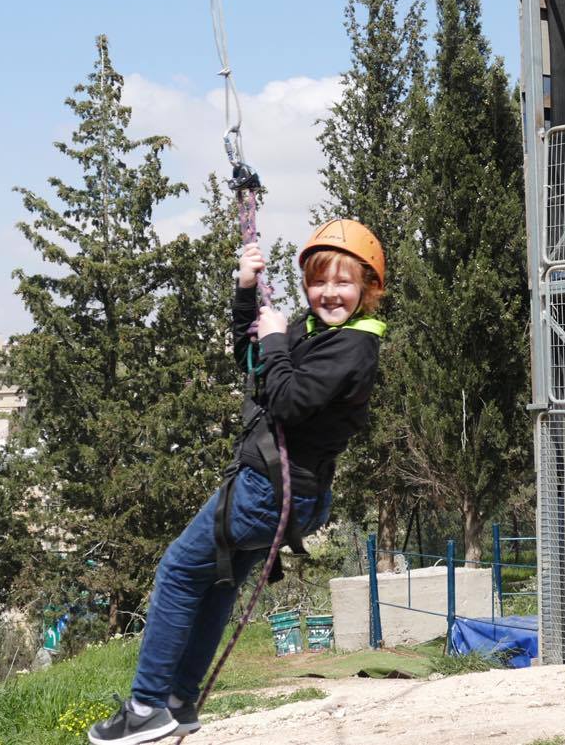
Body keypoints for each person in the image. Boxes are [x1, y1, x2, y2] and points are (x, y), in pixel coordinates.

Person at [89, 219, 387, 745]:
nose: (329, 293)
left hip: (268, 491)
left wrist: (275, 341)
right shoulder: (317, 334)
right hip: (285, 492)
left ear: (368, 288)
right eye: (319, 282)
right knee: (218, 583)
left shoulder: (352, 349)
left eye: (343, 282)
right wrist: (246, 293)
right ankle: (179, 700)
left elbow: (289, 401)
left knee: (180, 571)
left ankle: (146, 706)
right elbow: (251, 361)